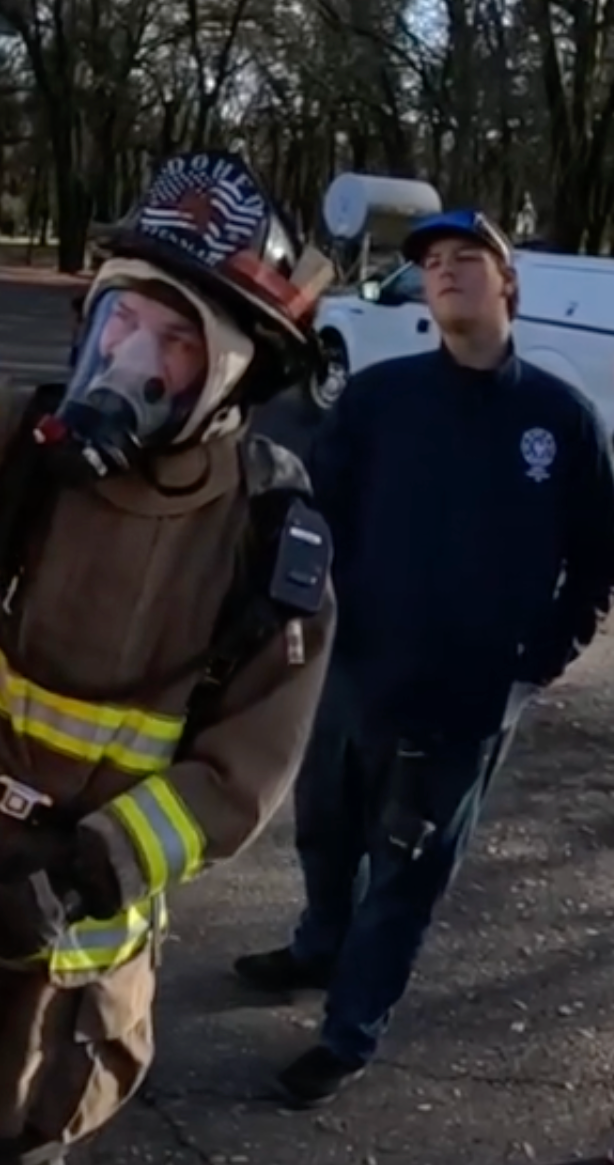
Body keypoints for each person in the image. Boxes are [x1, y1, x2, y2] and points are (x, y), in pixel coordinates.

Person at [0, 150, 341, 1165]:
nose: (131, 355)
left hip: (68, 944)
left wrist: (83, 869)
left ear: (234, 375)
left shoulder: (270, 540)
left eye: (176, 338)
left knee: (13, 1144)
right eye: (122, 317)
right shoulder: (12, 450)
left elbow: (241, 778)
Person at [232, 208, 614, 1107]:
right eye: (432, 262)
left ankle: (349, 1031)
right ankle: (319, 946)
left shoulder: (559, 421)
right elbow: (318, 517)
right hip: (354, 669)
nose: (443, 272)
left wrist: (538, 659)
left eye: (465, 258)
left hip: (467, 697)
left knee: (405, 871)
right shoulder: (381, 397)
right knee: (325, 831)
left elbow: (597, 559)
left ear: (506, 284)